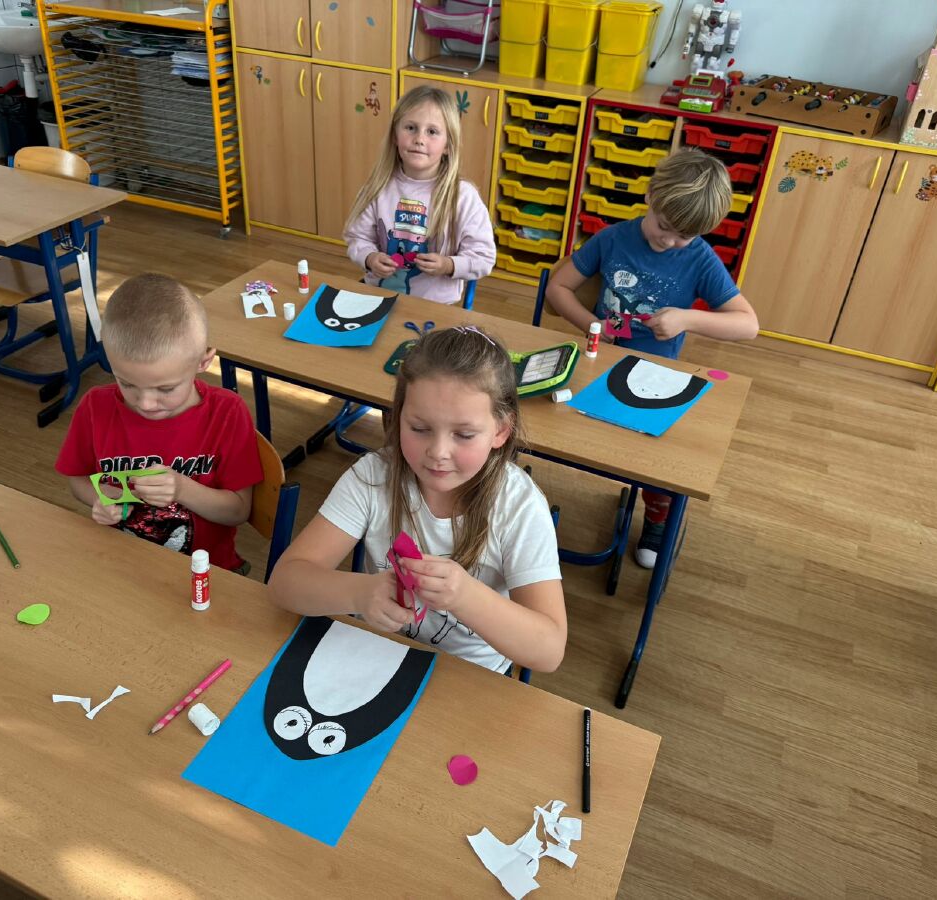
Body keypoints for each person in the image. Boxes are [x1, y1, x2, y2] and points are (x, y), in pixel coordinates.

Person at [267, 325, 566, 674]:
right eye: (420, 429)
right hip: (376, 656)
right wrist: (360, 592)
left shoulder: (518, 506)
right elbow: (284, 584)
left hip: (468, 675)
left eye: (464, 434)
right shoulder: (373, 477)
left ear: (501, 430)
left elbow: (548, 651)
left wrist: (465, 596)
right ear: (397, 419)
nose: (438, 452)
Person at [545, 148, 759, 568]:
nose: (670, 241)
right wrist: (593, 324)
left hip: (653, 377)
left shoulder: (699, 258)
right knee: (551, 422)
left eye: (684, 236)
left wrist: (686, 319)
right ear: (650, 197)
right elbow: (558, 289)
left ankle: (658, 519)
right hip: (597, 361)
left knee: (659, 457)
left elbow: (748, 324)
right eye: (664, 226)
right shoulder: (613, 238)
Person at [55, 273, 263, 574]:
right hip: (121, 563)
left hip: (206, 572)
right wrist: (103, 499)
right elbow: (78, 480)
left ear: (204, 362)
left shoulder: (227, 412)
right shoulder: (95, 407)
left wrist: (181, 489)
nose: (146, 403)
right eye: (127, 384)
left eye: (166, 389)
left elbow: (238, 511)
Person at [343, 84, 496, 304]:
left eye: (432, 132)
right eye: (411, 128)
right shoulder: (377, 187)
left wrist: (448, 265)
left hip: (435, 305)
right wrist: (370, 257)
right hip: (378, 296)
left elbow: (484, 257)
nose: (419, 139)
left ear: (448, 145)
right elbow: (357, 238)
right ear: (395, 136)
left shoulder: (463, 196)